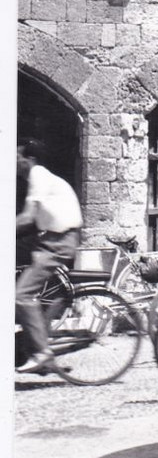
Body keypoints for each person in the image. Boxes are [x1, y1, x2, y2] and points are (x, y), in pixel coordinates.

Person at [15, 140, 83, 374]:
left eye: (17, 157)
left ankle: (42, 354)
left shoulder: (38, 175)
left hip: (58, 242)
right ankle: (28, 341)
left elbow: (27, 217)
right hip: (49, 239)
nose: (14, 162)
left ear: (29, 159)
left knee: (22, 295)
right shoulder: (39, 178)